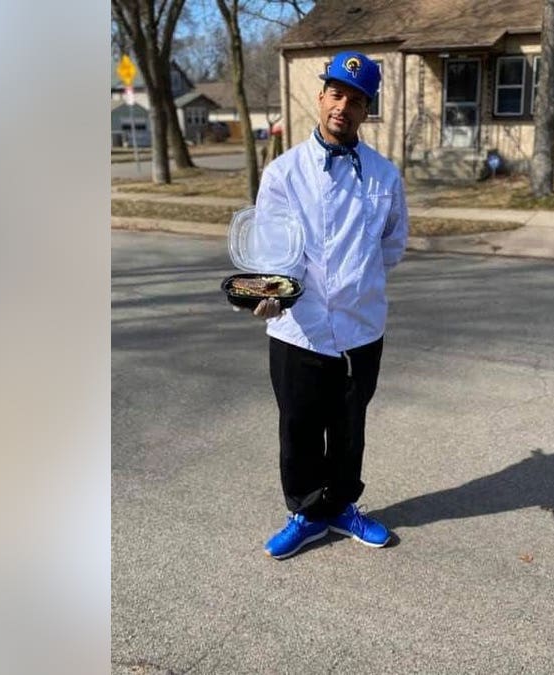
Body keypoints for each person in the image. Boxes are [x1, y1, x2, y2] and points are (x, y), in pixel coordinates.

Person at [244, 51, 409, 560]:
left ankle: (341, 506)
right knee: (297, 427)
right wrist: (275, 293)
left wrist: (355, 282)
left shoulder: (384, 176)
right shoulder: (284, 173)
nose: (343, 106)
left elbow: (392, 244)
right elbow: (275, 248)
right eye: (336, 94)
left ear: (367, 110)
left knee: (349, 426)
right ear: (320, 98)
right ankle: (305, 512)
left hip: (361, 328)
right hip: (300, 328)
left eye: (356, 100)